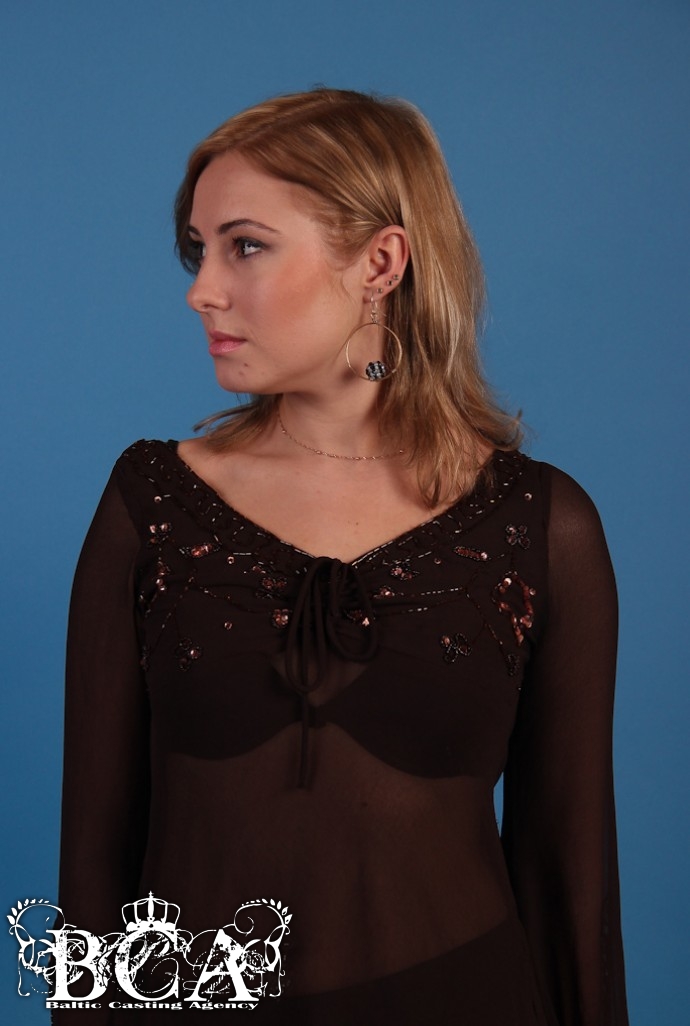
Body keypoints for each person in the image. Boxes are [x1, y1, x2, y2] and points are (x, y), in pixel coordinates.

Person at [56, 88, 628, 1024]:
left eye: (245, 245)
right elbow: (92, 864)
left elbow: (569, 878)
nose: (202, 289)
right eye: (199, 250)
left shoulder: (541, 526)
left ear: (380, 263)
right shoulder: (150, 506)